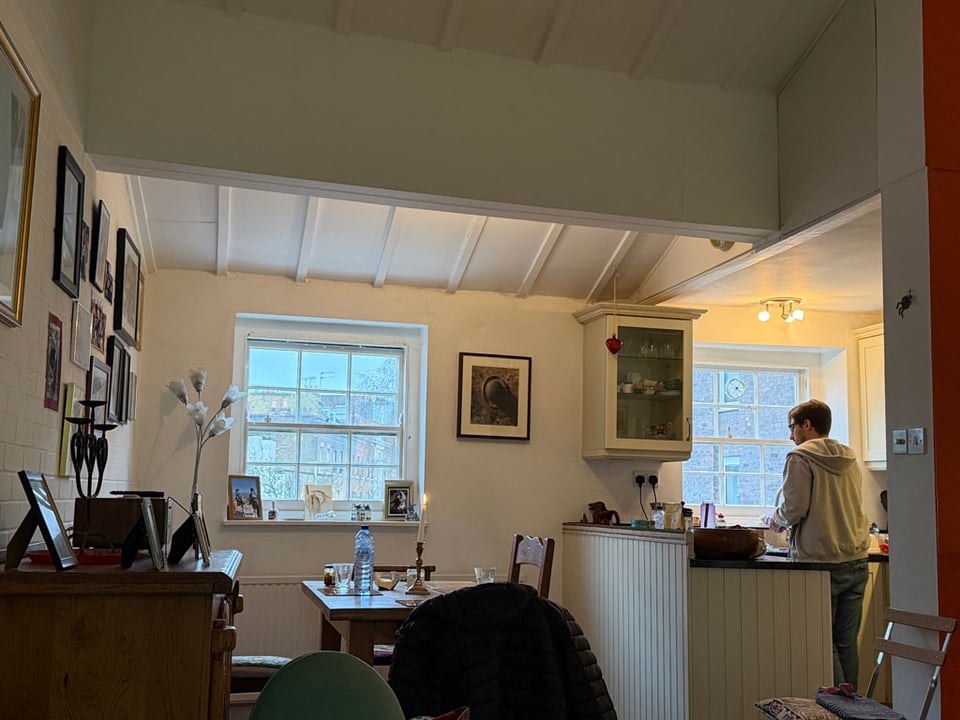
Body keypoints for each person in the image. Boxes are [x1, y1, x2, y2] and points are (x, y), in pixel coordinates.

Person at [768, 399, 870, 688]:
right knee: (847, 641)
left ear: (807, 425)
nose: (791, 435)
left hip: (819, 560)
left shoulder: (800, 457)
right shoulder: (848, 456)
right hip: (856, 557)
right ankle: (855, 710)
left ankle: (837, 708)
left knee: (824, 641)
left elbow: (794, 508)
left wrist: (775, 519)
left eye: (793, 427)